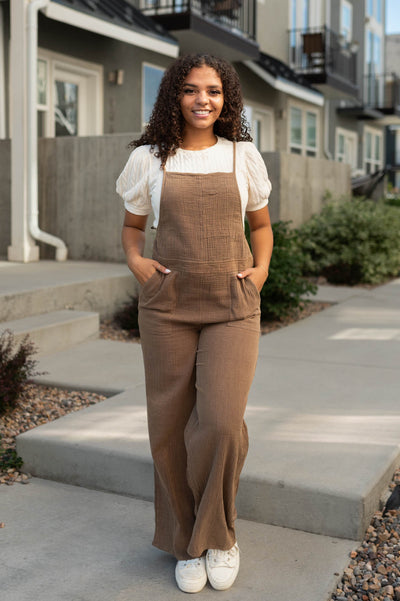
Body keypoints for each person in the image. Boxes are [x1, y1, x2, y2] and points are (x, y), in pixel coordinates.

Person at [116, 53, 273, 594]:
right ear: (173, 97)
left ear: (226, 99)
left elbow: (262, 226)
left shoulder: (241, 157)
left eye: (213, 90)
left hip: (232, 306)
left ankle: (220, 535)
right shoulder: (148, 160)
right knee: (169, 427)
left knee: (222, 421)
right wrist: (139, 266)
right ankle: (187, 541)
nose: (202, 99)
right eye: (190, 89)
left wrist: (260, 273)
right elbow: (133, 228)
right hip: (168, 308)